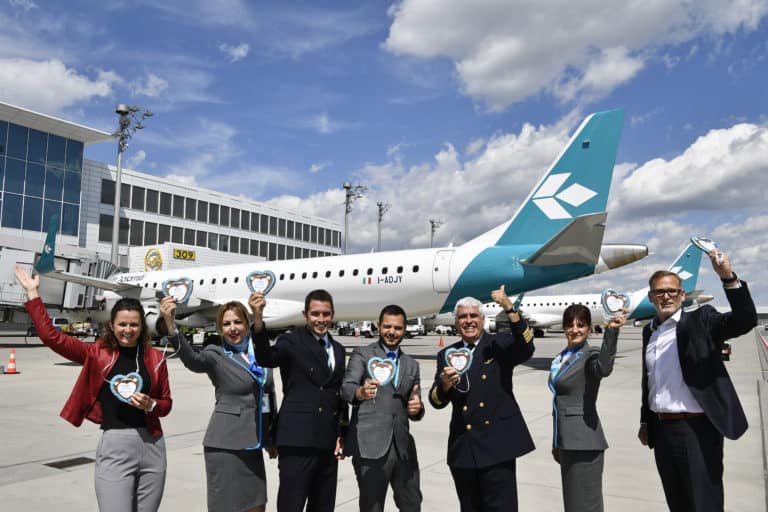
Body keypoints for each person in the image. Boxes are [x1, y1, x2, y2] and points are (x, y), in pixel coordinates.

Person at [14, 265, 171, 512]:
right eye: (122, 325)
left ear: (142, 327)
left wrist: (151, 405)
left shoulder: (155, 359)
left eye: (134, 325)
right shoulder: (97, 353)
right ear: (112, 325)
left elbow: (166, 405)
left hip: (153, 446)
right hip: (115, 444)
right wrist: (33, 295)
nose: (128, 331)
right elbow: (52, 338)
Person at [638, 250, 757, 511]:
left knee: (704, 503)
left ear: (682, 295)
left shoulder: (701, 320)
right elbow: (650, 381)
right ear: (651, 297)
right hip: (662, 431)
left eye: (671, 291)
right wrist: (645, 421)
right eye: (659, 292)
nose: (665, 296)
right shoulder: (650, 332)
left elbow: (745, 320)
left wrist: (727, 277)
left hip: (697, 429)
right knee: (677, 501)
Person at [159, 295, 277, 512]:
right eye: (226, 324)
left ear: (247, 324)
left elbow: (268, 395)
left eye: (237, 322)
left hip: (253, 443)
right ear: (220, 328)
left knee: (257, 505)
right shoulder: (216, 354)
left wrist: (271, 436)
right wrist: (171, 325)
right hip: (225, 444)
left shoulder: (260, 354)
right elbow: (193, 361)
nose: (233, 328)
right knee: (226, 506)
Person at [429, 285, 535, 512]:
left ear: (482, 319)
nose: (468, 321)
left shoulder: (498, 344)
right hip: (464, 447)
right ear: (456, 322)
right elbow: (436, 401)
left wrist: (508, 306)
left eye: (473, 316)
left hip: (497, 445)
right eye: (462, 317)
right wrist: (445, 385)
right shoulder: (447, 355)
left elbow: (526, 346)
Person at [251, 289, 348, 512]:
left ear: (332, 315)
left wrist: (343, 434)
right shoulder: (291, 341)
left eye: (325, 314)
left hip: (327, 441)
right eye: (315, 314)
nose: (321, 320)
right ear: (305, 315)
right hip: (296, 440)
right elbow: (266, 357)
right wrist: (257, 319)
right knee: (290, 505)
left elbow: (340, 396)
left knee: (323, 507)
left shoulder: (339, 350)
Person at [342, 304, 425, 512]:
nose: (392, 332)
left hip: (404, 447)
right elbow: (346, 387)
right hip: (371, 447)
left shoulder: (411, 364)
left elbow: (414, 404)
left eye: (397, 328)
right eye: (387, 326)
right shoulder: (363, 354)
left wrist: (418, 409)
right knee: (372, 506)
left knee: (412, 504)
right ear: (378, 326)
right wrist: (360, 392)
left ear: (404, 329)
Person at [549, 304, 626, 512]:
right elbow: (559, 403)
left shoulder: (589, 354)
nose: (575, 329)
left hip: (584, 441)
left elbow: (603, 367)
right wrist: (557, 441)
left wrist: (612, 331)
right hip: (567, 442)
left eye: (581, 325)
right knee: (574, 503)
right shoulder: (561, 358)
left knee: (586, 504)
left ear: (589, 328)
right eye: (570, 325)